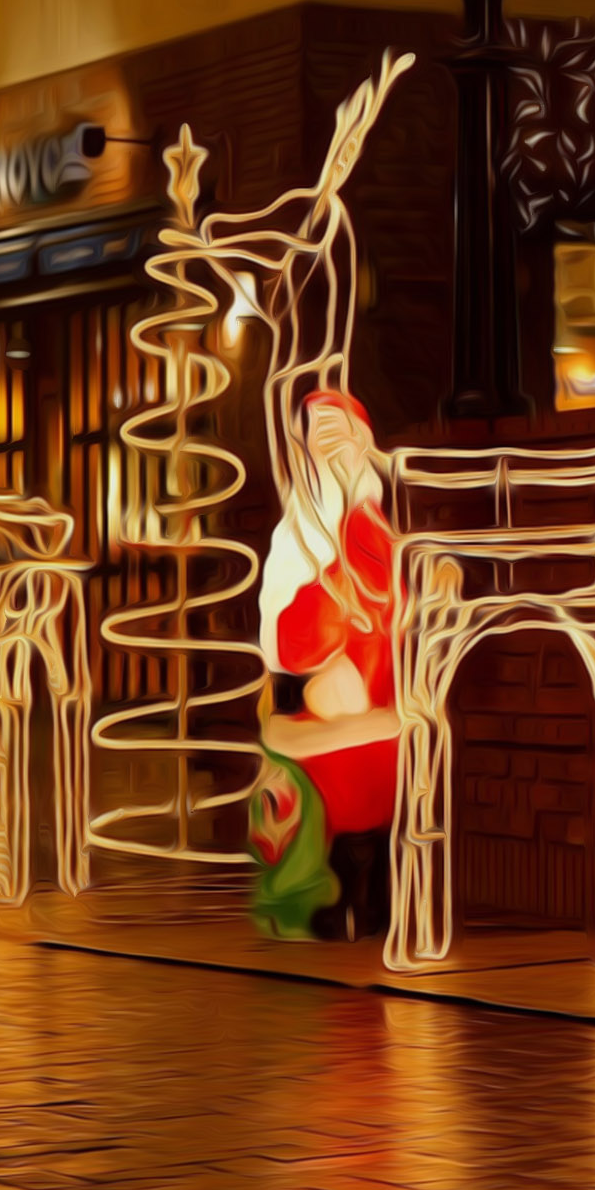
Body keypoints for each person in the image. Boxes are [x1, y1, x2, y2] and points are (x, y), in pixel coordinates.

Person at [249, 390, 402, 940]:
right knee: (313, 774)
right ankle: (328, 888)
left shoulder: (369, 529)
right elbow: (284, 622)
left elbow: (386, 605)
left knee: (360, 768)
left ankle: (361, 890)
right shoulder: (298, 532)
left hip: (364, 687)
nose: (328, 442)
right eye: (317, 431)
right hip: (307, 690)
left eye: (338, 429)